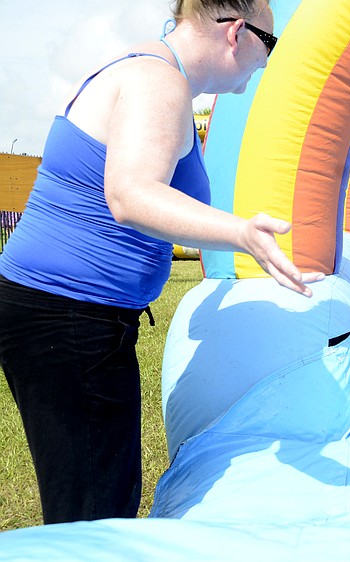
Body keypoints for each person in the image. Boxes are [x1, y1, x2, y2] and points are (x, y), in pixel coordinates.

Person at [0, 0, 325, 525]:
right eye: (270, 43)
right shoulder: (158, 82)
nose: (267, 61)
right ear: (236, 33)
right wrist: (241, 233)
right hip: (67, 315)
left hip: (64, 312)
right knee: (94, 515)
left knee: (95, 497)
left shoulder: (147, 70)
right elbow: (130, 195)